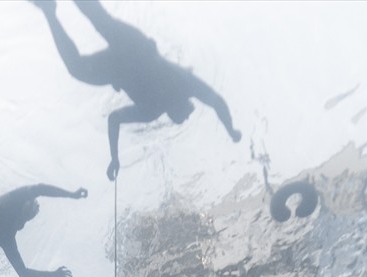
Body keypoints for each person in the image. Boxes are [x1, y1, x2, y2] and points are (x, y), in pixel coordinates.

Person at [29, 0, 241, 179]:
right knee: (99, 19)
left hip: (118, 68)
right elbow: (217, 102)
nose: (185, 118)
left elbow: (114, 118)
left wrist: (115, 157)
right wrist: (230, 129)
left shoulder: (151, 111)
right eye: (188, 114)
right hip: (136, 49)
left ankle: (49, 12)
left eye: (185, 118)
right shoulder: (184, 86)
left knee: (77, 68)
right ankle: (50, 13)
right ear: (185, 103)